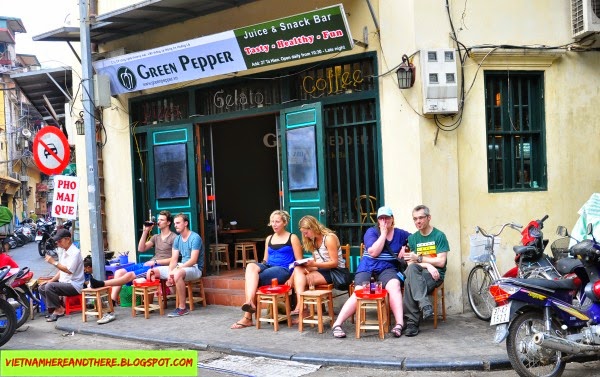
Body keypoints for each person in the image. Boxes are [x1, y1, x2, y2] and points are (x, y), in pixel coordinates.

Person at [330, 206, 410, 338]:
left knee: (394, 285)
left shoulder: (400, 234)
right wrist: (383, 234)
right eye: (381, 218)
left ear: (392, 219)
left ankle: (399, 324)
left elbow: (415, 240)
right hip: (368, 266)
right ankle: (337, 324)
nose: (384, 221)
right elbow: (373, 252)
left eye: (387, 218)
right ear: (378, 220)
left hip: (387, 268)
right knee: (361, 290)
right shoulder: (371, 232)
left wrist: (406, 247)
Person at [90, 210, 176, 324]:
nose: (158, 222)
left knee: (130, 275)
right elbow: (141, 249)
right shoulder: (156, 237)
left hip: (158, 266)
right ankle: (112, 304)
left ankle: (103, 287)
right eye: (158, 219)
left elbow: (173, 259)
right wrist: (145, 231)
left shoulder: (174, 237)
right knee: (119, 272)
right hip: (148, 263)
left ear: (168, 222)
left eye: (161, 220)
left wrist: (155, 263)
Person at [230, 210, 303, 329]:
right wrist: (256, 269)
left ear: (284, 222)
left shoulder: (292, 237)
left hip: (283, 269)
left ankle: (247, 316)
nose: (274, 224)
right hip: (269, 266)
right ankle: (249, 302)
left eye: (277, 222)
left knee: (253, 280)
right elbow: (265, 260)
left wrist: (292, 278)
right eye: (272, 222)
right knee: (250, 267)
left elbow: (298, 262)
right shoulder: (269, 238)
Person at [402, 204, 450, 337]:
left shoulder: (439, 236)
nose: (418, 221)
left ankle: (412, 323)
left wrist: (419, 258)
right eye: (415, 219)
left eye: (421, 218)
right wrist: (427, 265)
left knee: (409, 283)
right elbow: (411, 263)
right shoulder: (412, 239)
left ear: (429, 218)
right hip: (420, 271)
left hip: (435, 275)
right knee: (411, 271)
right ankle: (425, 305)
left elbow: (441, 262)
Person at [146, 213, 203, 317]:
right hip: (181, 266)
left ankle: (182, 308)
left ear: (185, 223)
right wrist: (170, 273)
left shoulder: (195, 238)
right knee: (151, 272)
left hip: (195, 268)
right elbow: (174, 259)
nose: (175, 225)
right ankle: (150, 306)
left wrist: (176, 270)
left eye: (178, 223)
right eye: (175, 223)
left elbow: (193, 260)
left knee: (177, 274)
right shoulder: (177, 239)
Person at [292, 215, 345, 315]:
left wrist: (314, 264)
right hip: (322, 269)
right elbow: (317, 264)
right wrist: (307, 265)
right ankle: (302, 305)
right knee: (298, 269)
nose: (305, 236)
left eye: (306, 233)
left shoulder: (329, 238)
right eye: (303, 233)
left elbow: (334, 263)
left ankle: (302, 307)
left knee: (302, 280)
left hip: (335, 271)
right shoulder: (313, 240)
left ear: (313, 227)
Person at [39, 229, 84, 322]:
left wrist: (53, 262)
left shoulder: (75, 253)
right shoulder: (64, 251)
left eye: (60, 241)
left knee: (49, 287)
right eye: (57, 241)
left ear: (67, 239)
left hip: (74, 285)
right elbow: (61, 270)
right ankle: (58, 308)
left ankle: (59, 310)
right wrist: (50, 280)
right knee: (42, 287)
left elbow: (68, 270)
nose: (58, 243)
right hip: (64, 283)